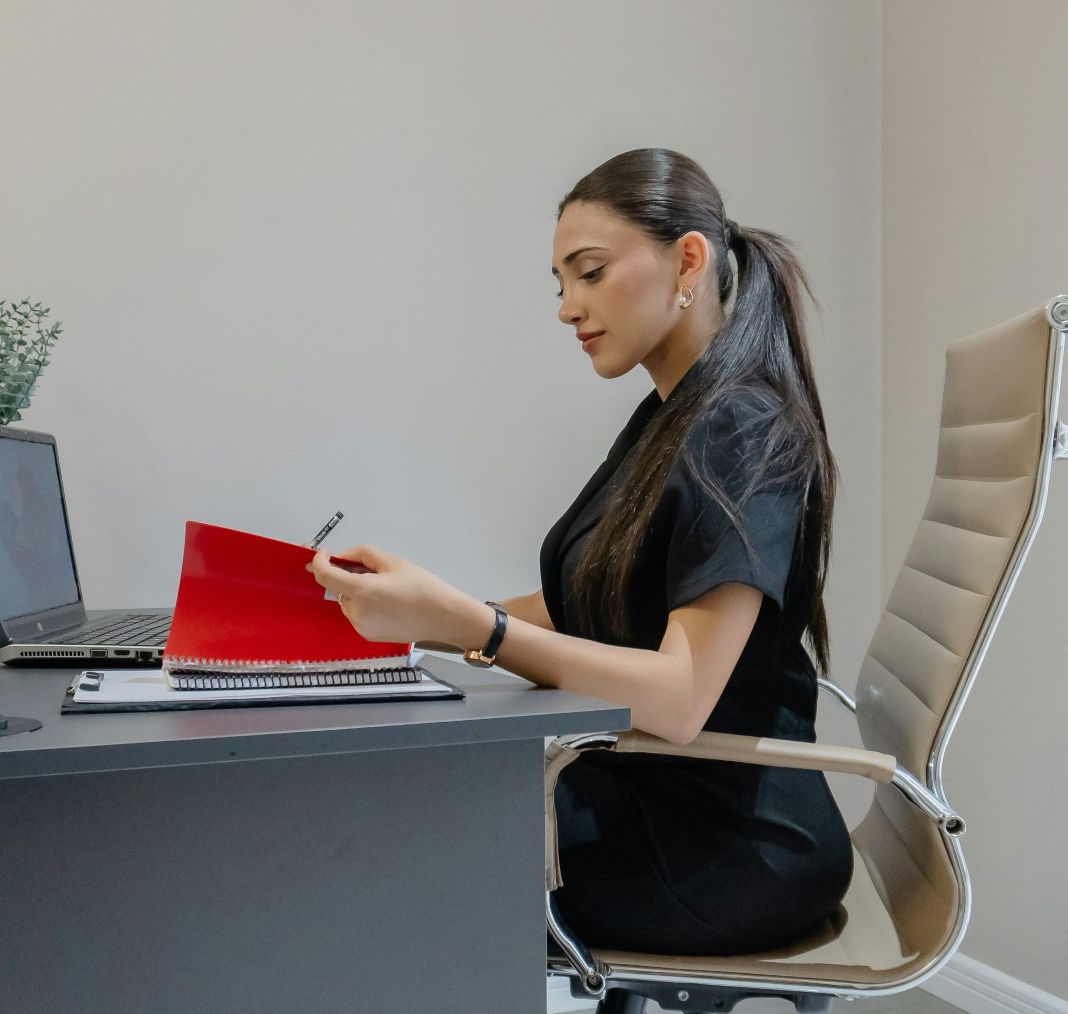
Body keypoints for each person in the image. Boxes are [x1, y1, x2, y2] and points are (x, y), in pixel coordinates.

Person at [306, 148, 849, 956]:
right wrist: (413, 617)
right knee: (399, 809)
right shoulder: (667, 419)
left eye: (589, 273)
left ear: (688, 260)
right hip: (654, 796)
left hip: (726, 848)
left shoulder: (741, 426)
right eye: (560, 283)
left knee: (396, 838)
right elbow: (585, 599)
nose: (568, 307)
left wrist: (472, 629)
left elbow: (680, 697)